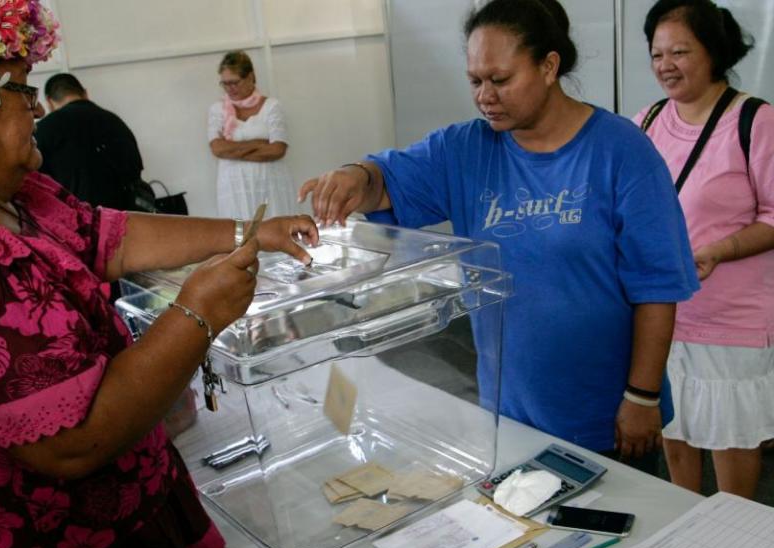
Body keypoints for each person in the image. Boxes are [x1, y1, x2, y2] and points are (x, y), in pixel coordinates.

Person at [0, 1, 317, 548]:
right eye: (26, 95)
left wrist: (247, 231)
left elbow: (112, 237)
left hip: (121, 512)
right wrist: (197, 313)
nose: (36, 112)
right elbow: (73, 442)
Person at [299, 0, 700, 470]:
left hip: (606, 413)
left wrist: (643, 396)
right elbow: (386, 177)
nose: (485, 95)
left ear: (549, 66)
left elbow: (657, 288)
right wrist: (354, 176)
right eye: (475, 80)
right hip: (510, 412)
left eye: (501, 79)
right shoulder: (465, 149)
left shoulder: (621, 151)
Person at [635, 0, 774, 499]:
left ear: (714, 53)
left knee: (730, 435)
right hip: (663, 311)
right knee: (675, 426)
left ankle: (735, 540)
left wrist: (722, 249)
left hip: (729, 317)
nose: (665, 65)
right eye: (656, 54)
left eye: (680, 51)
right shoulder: (647, 120)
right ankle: (685, 525)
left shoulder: (755, 121)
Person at [36, 72, 155, 212]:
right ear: (85, 93)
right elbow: (135, 173)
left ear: (49, 101)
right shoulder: (116, 123)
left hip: (75, 224)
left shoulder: (43, 130)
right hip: (124, 222)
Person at [208, 50, 297, 219]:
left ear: (250, 77)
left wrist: (232, 152)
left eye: (234, 82)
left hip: (271, 185)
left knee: (276, 234)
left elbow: (277, 150)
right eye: (225, 83)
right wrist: (259, 144)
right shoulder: (217, 109)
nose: (229, 89)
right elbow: (217, 149)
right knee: (241, 238)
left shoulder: (272, 106)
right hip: (234, 189)